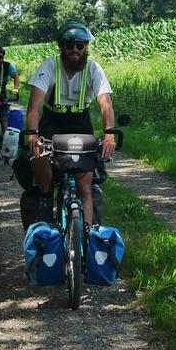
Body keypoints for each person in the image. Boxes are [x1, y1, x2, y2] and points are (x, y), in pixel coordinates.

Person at [25, 21, 115, 225]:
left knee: (85, 188)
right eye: (69, 45)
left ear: (85, 47)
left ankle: (88, 238)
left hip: (80, 122)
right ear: (61, 46)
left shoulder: (93, 68)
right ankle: (46, 200)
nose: (75, 49)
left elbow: (105, 104)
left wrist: (109, 134)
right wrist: (32, 135)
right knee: (40, 155)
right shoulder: (49, 66)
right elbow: (33, 107)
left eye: (80, 45)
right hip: (52, 121)